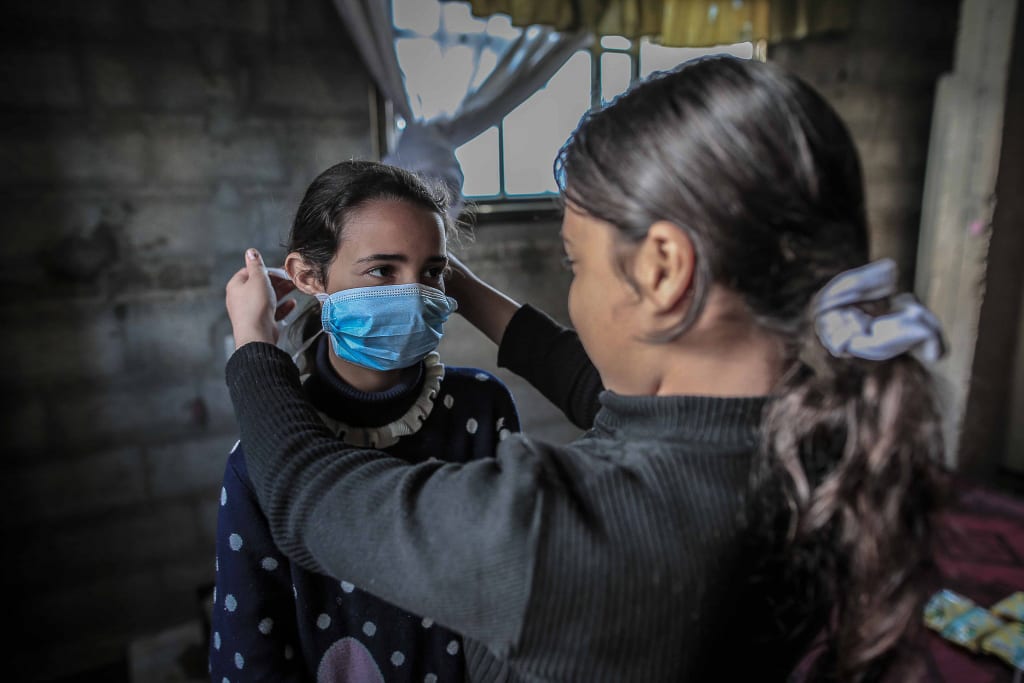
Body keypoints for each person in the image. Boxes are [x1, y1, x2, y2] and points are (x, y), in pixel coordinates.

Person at [222, 56, 948, 681]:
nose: (572, 287)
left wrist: (254, 346)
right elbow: (592, 383)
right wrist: (440, 281)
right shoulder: (819, 428)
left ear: (663, 269)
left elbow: (304, 492)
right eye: (384, 271)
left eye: (575, 261)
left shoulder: (562, 532)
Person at [209, 161, 520, 682]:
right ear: (309, 276)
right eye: (382, 270)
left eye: (431, 272)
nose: (415, 293)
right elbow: (249, 657)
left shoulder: (481, 410)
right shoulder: (261, 458)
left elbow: (512, 605)